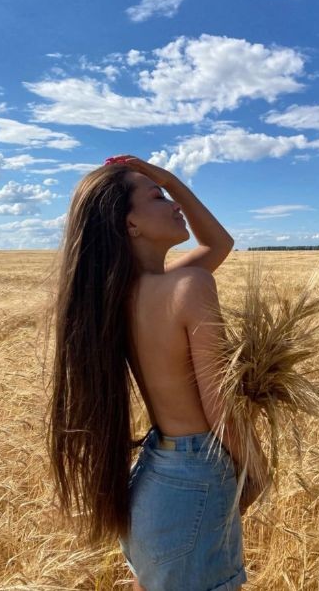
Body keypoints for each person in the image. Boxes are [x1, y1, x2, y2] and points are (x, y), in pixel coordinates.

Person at [46, 155, 269, 591]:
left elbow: (219, 244)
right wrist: (257, 471)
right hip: (194, 477)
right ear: (131, 224)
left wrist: (163, 179)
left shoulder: (117, 298)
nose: (174, 204)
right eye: (158, 197)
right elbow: (219, 406)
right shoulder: (188, 287)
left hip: (153, 480)